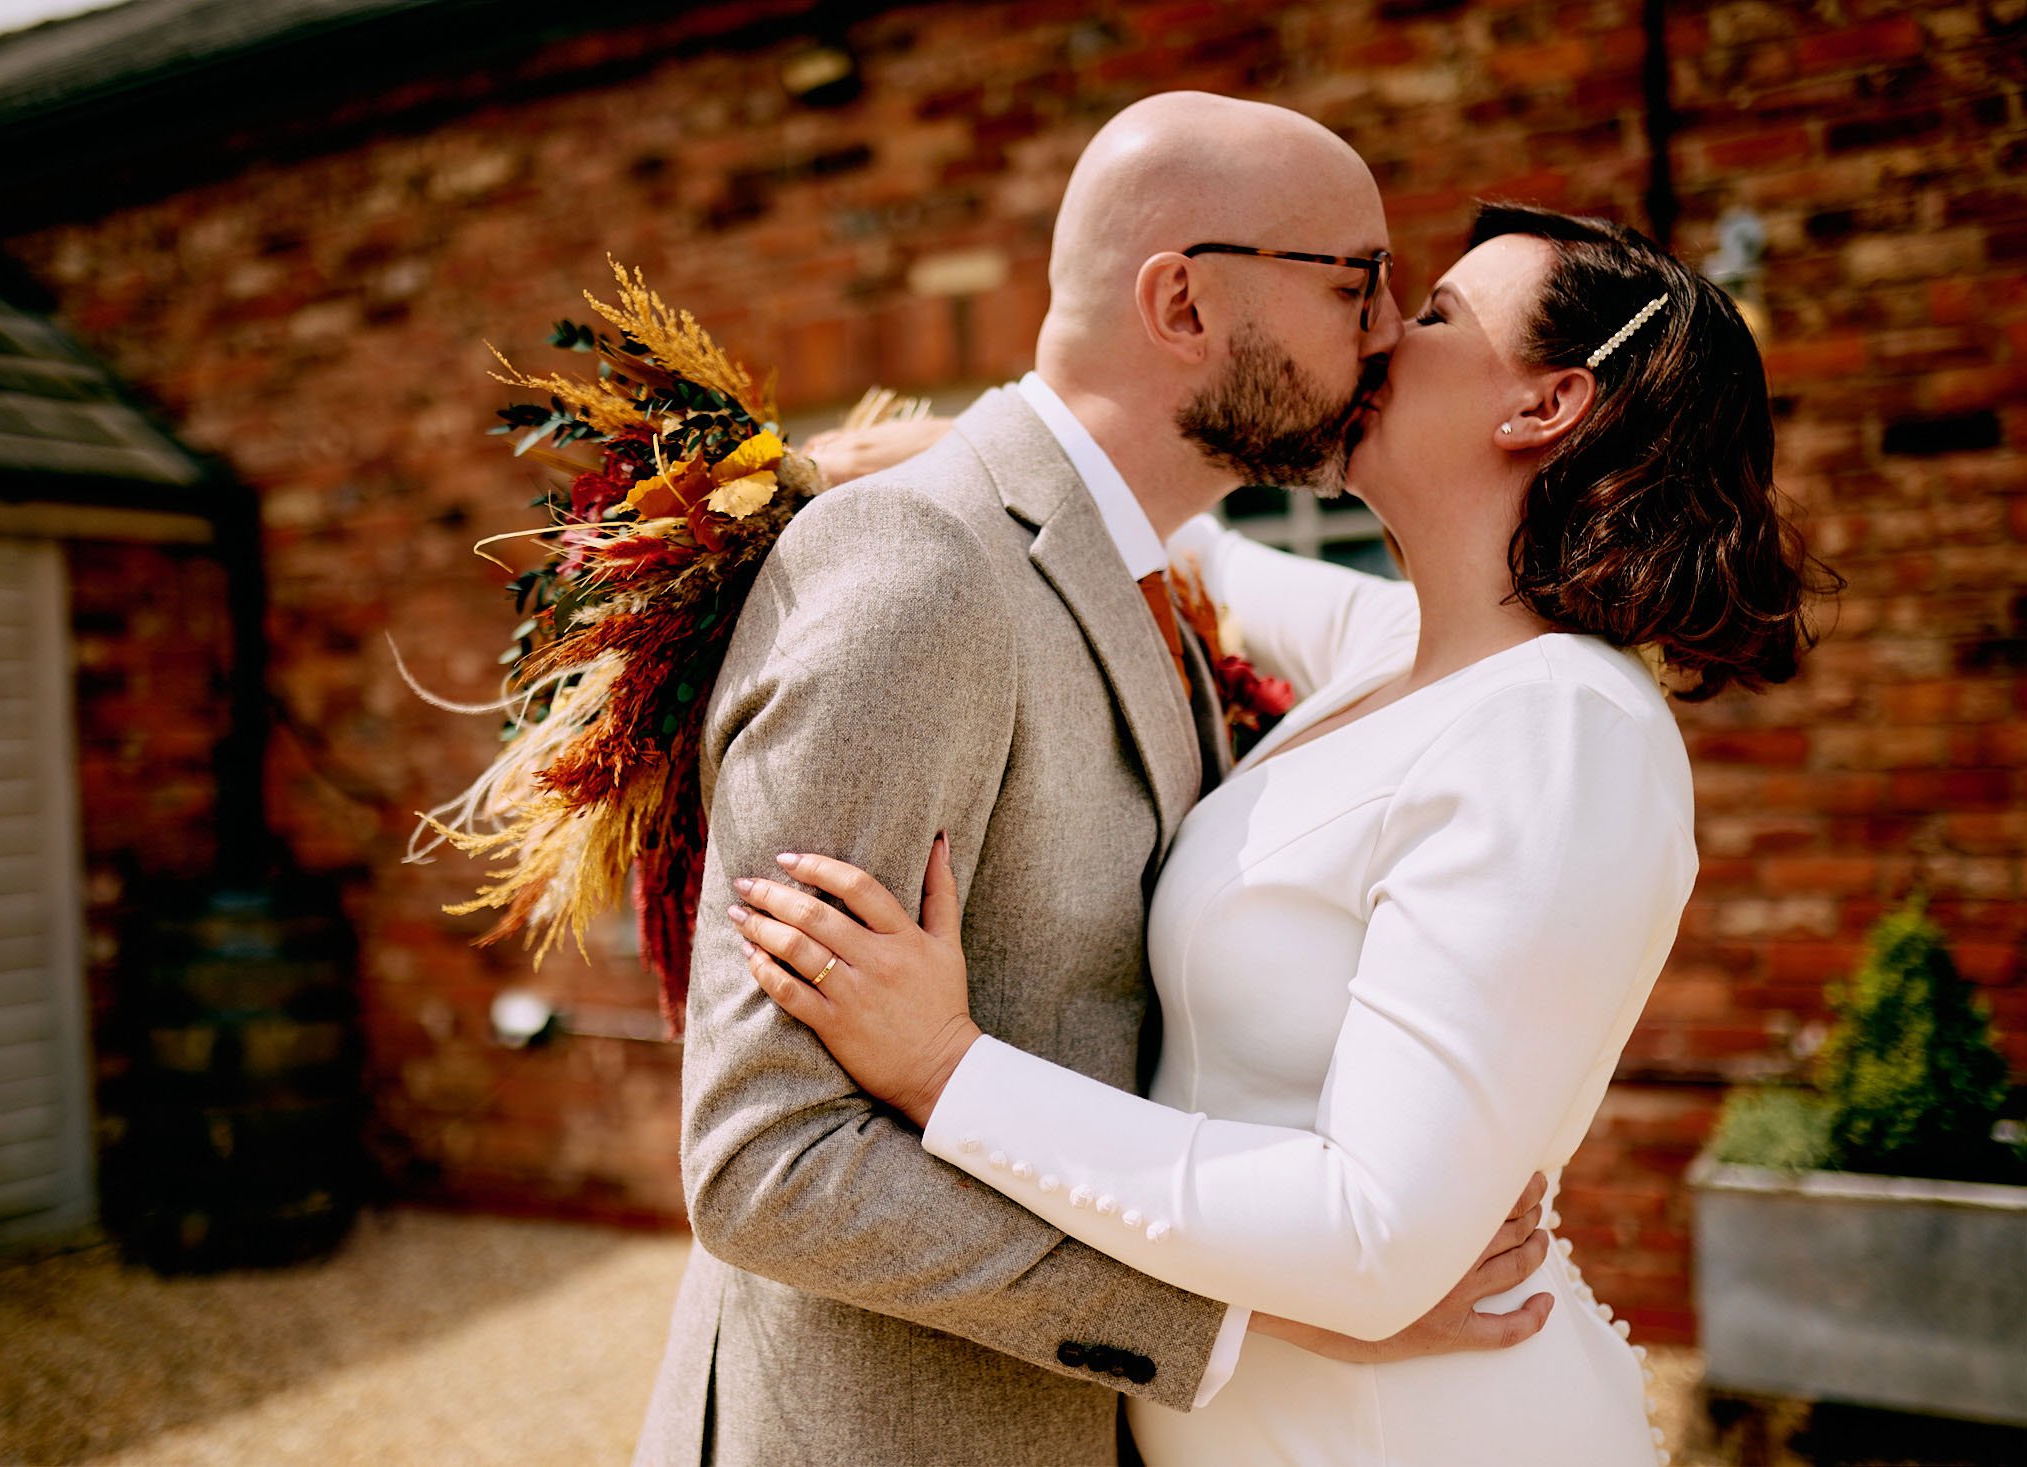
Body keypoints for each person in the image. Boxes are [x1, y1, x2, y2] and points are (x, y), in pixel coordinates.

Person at [725, 199, 1831, 1466]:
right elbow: (1191, 546)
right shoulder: (1393, 661)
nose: (1377, 335)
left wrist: (945, 1068)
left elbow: (1369, 1239)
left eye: (1427, 316)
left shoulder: (1564, 731)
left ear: (1543, 405)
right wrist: (973, 462)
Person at [632, 93, 1565, 1467]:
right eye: (1358, 280)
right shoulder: (918, 566)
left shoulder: (1148, 578)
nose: (1384, 333)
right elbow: (769, 1162)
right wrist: (1254, 1313)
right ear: (1183, 301)